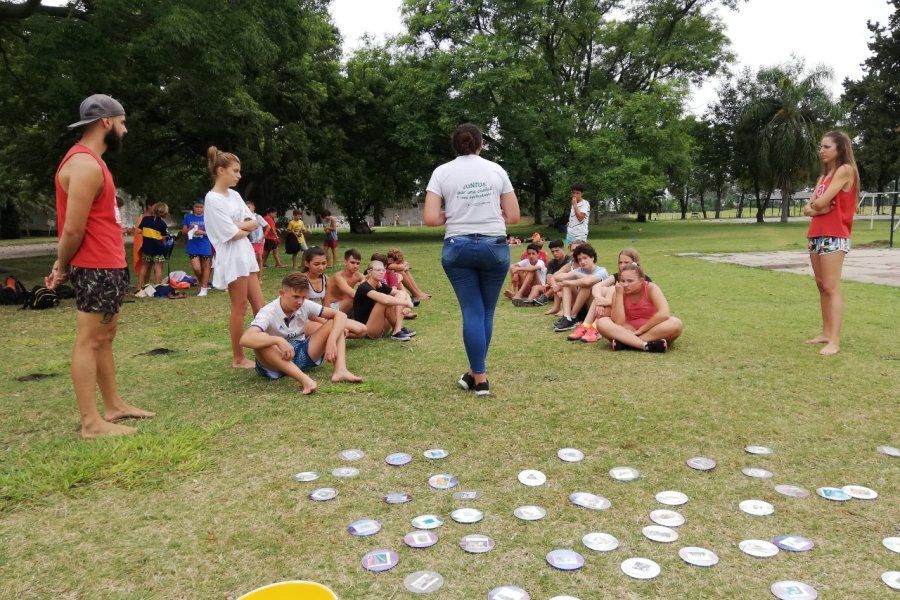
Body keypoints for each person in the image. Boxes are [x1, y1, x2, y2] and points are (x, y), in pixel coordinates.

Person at [45, 93, 155, 438]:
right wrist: (61, 266)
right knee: (90, 340)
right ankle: (91, 423)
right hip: (94, 266)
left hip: (107, 264)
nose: (125, 130)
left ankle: (114, 405)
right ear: (106, 122)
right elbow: (73, 228)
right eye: (122, 123)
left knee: (105, 336)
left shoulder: (93, 161)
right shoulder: (85, 165)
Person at [423, 122, 520, 396]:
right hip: (494, 246)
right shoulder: (496, 170)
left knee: (473, 312)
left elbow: (431, 218)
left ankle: (476, 374)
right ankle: (479, 374)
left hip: (458, 247)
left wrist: (451, 213)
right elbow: (513, 216)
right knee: (486, 312)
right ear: (480, 144)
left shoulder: (442, 172)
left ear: (455, 146)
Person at [241, 272, 362, 395]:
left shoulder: (304, 304)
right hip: (275, 363)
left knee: (335, 324)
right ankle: (305, 380)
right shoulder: (268, 312)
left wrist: (331, 340)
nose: (300, 302)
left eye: (304, 297)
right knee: (261, 339)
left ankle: (340, 370)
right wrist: (278, 340)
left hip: (301, 354)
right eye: (296, 297)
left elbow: (340, 315)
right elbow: (245, 339)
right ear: (282, 293)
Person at [202, 146, 266, 368]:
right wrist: (240, 227)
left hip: (246, 253)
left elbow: (254, 222)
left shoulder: (236, 195)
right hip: (231, 257)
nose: (239, 176)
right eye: (235, 171)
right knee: (239, 307)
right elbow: (233, 233)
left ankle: (267, 349)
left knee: (260, 305)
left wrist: (238, 226)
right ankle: (238, 357)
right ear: (221, 171)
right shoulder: (212, 199)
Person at [801, 131, 860, 356]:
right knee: (821, 284)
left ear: (840, 149)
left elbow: (821, 202)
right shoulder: (823, 177)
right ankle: (825, 333)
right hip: (816, 233)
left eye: (826, 147)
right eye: (821, 147)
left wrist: (818, 206)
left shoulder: (845, 170)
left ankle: (834, 340)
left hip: (835, 234)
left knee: (831, 286)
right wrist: (818, 207)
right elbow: (811, 206)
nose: (821, 151)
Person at [594, 263, 683, 352]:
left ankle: (627, 343)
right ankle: (645, 345)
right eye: (622, 281)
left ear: (641, 280)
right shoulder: (618, 292)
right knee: (602, 322)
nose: (625, 285)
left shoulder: (651, 288)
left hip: (651, 329)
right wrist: (619, 294)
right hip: (627, 329)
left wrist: (641, 330)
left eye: (630, 281)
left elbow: (664, 313)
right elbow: (618, 321)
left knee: (676, 323)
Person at [569, 248, 649, 343]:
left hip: (629, 315)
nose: (622, 265)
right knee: (602, 290)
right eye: (620, 262)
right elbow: (597, 286)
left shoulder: (642, 280)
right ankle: (586, 326)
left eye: (626, 262)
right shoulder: (616, 276)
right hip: (615, 309)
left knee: (611, 289)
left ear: (635, 263)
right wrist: (599, 299)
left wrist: (607, 302)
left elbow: (636, 304)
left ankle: (595, 328)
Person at [304, 246, 367, 338]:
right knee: (333, 330)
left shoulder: (325, 278)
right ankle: (336, 334)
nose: (321, 267)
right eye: (316, 264)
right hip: (305, 319)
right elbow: (305, 310)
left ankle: (338, 334)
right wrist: (326, 322)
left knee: (362, 330)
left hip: (320, 314)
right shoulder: (302, 279)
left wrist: (331, 319)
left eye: (324, 263)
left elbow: (326, 304)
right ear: (307, 264)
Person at [353, 260, 416, 341]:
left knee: (401, 294)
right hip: (368, 329)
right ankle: (398, 330)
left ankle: (397, 329)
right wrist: (406, 303)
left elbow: (402, 293)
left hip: (381, 325)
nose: (382, 272)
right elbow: (386, 300)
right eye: (378, 270)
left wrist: (408, 304)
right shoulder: (364, 287)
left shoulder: (379, 285)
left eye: (383, 270)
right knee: (383, 302)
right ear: (369, 271)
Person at [551, 243, 608, 331]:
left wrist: (573, 278)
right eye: (579, 259)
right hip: (581, 307)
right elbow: (557, 277)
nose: (582, 262)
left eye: (585, 258)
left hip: (595, 308)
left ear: (592, 257)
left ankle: (573, 316)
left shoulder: (601, 271)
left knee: (586, 286)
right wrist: (574, 275)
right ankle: (567, 318)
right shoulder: (579, 270)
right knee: (567, 285)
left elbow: (588, 281)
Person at [182, 200, 212, 296]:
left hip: (205, 245)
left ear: (204, 207)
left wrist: (202, 232)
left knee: (206, 267)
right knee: (197, 268)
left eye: (201, 207)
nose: (199, 209)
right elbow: (183, 232)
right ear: (193, 207)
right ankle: (203, 282)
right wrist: (189, 229)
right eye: (196, 207)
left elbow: (214, 233)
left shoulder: (208, 218)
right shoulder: (188, 217)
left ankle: (203, 288)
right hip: (193, 246)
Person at [137, 202, 170, 288]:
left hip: (146, 248)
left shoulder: (145, 219)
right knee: (158, 267)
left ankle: (139, 287)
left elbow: (139, 230)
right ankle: (157, 286)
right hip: (158, 250)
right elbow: (164, 239)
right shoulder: (163, 224)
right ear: (165, 213)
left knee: (144, 267)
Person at [325, 248, 364, 315]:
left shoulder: (357, 275)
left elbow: (369, 281)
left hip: (345, 304)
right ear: (345, 262)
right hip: (331, 307)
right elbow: (353, 294)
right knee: (353, 297)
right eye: (352, 262)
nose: (355, 266)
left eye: (358, 263)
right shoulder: (338, 276)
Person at [532, 239, 570, 306]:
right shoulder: (551, 263)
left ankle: (545, 297)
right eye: (552, 252)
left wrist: (553, 283)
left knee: (560, 282)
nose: (555, 253)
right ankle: (530, 301)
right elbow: (549, 280)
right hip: (553, 288)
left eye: (557, 251)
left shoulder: (569, 261)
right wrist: (550, 284)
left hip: (565, 288)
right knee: (536, 287)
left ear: (563, 249)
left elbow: (567, 278)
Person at [132, 202, 153, 283]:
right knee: (144, 266)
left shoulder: (153, 217)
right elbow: (138, 232)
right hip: (145, 246)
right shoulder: (143, 217)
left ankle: (146, 284)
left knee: (150, 266)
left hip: (152, 245)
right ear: (149, 206)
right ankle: (140, 286)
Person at [245, 200, 267, 279]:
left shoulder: (258, 217)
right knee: (252, 259)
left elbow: (267, 227)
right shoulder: (245, 218)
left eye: (249, 207)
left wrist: (263, 236)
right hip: (250, 242)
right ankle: (253, 277)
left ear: (253, 207)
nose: (247, 209)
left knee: (259, 258)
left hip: (259, 241)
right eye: (246, 208)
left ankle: (259, 277)